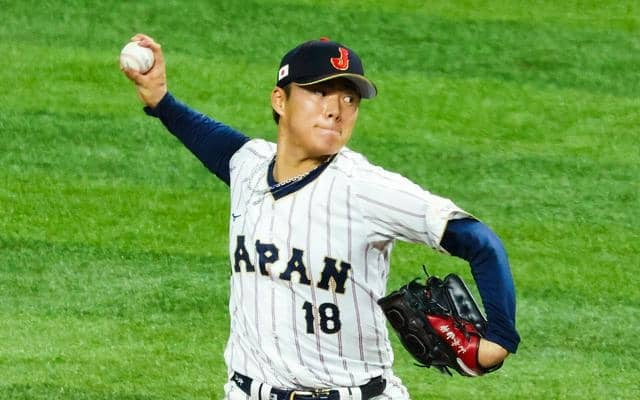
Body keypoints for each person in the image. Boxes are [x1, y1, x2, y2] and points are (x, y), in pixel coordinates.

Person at [122, 33, 520, 400]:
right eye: (319, 92)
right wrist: (160, 100)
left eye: (349, 99)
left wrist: (499, 340)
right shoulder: (247, 166)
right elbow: (206, 137)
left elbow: (480, 243)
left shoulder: (365, 188)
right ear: (280, 101)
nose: (336, 110)